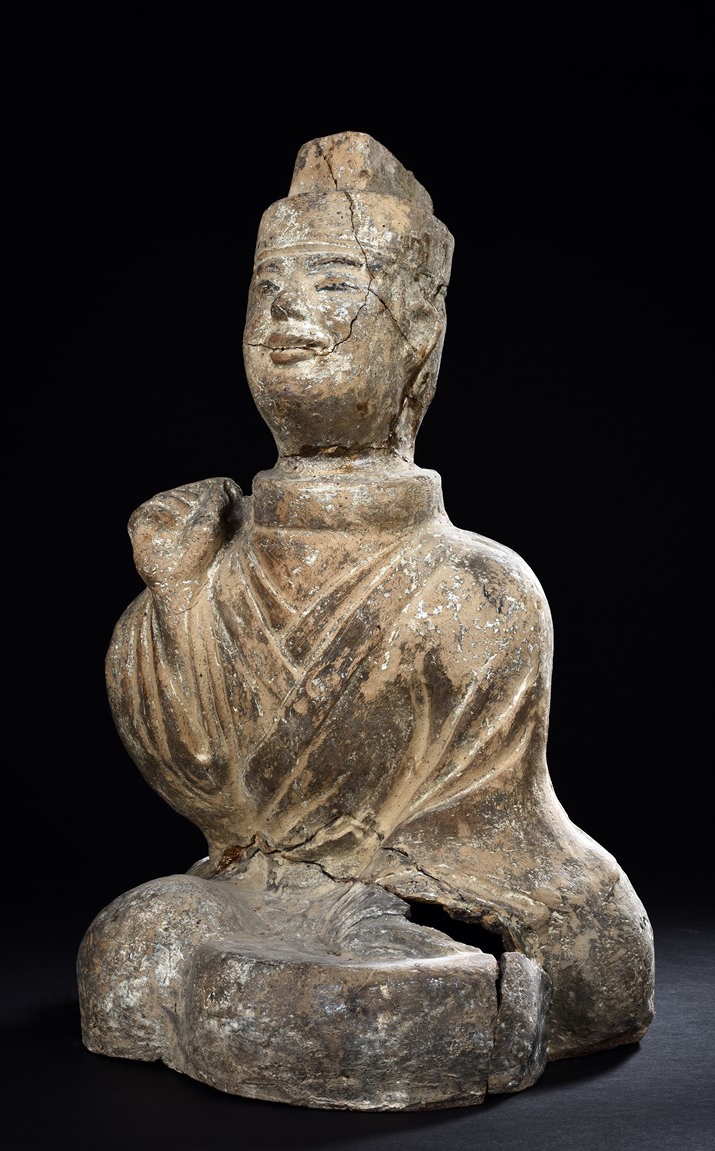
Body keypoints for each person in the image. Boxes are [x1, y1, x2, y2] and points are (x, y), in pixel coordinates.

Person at [78, 133, 654, 1106]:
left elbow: (493, 825)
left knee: (484, 971)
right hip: (264, 895)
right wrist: (176, 599)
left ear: (418, 332)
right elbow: (221, 805)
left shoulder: (482, 584)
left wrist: (374, 897)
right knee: (132, 937)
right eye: (267, 286)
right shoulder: (205, 560)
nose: (286, 309)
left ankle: (436, 986)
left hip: (418, 891)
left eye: (335, 281)